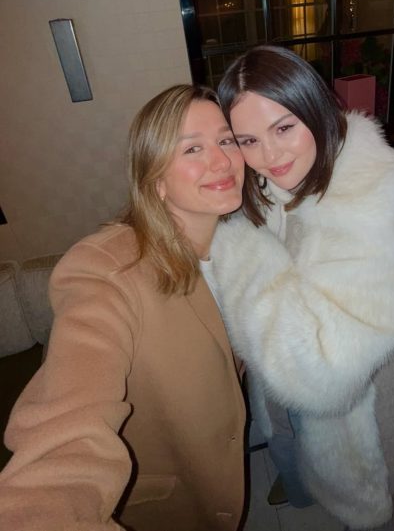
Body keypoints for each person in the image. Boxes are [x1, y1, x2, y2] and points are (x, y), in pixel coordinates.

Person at [207, 46, 394, 531]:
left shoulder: (369, 201)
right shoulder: (272, 183)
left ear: (314, 109)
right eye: (248, 140)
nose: (270, 156)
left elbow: (319, 374)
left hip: (375, 391)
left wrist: (236, 248)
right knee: (289, 441)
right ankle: (299, 485)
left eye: (284, 128)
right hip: (283, 366)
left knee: (384, 504)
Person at [0, 85, 247, 531]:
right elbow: (66, 431)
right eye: (192, 148)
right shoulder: (105, 267)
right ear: (155, 179)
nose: (222, 161)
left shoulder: (236, 244)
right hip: (172, 503)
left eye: (226, 140)